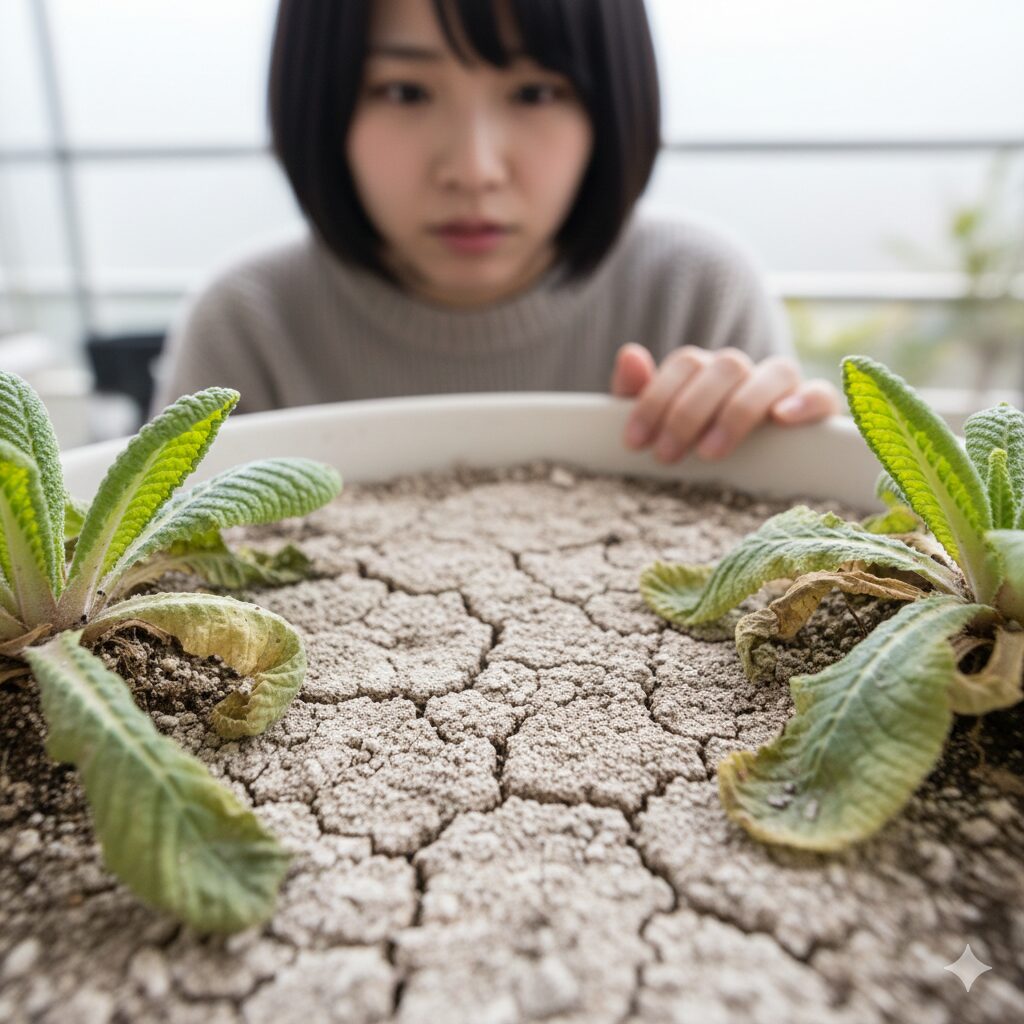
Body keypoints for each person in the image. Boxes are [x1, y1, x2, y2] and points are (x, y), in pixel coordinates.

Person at [153, 0, 839, 463]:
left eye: (535, 92)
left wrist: (770, 444)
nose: (474, 170)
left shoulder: (694, 292)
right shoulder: (248, 321)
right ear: (321, 102)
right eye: (405, 91)